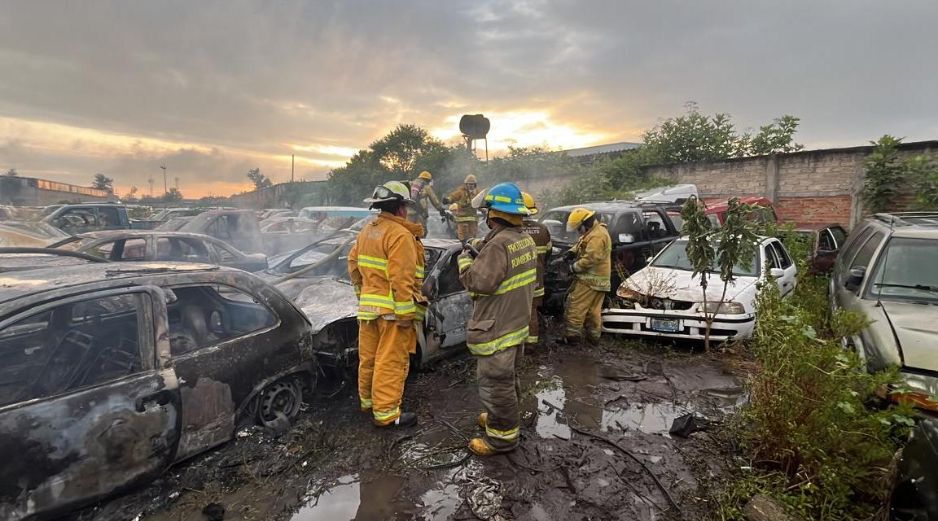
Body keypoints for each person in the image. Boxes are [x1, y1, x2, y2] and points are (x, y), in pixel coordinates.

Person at [457, 182, 537, 456]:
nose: (485, 216)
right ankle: (500, 421)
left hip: (497, 330)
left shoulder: (499, 245)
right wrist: (485, 247)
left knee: (495, 386)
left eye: (487, 211)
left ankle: (502, 439)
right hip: (514, 325)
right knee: (507, 380)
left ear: (493, 213)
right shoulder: (522, 238)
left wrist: (465, 262)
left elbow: (478, 283)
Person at [348, 181, 423, 428]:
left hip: (368, 310)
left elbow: (353, 264)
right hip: (392, 311)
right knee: (389, 362)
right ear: (401, 208)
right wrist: (405, 314)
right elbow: (402, 278)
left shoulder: (367, 230)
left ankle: (368, 402)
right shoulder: (400, 235)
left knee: (368, 359)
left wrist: (363, 295)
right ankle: (387, 414)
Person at [563, 207, 611, 345]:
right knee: (593, 312)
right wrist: (571, 252)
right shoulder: (595, 231)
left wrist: (573, 268)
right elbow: (583, 243)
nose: (579, 231)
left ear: (586, 223)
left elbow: (590, 259)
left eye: (579, 228)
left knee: (575, 307)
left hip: (589, 280)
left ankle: (572, 337)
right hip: (599, 281)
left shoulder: (597, 236)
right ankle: (593, 338)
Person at [520, 192, 551, 346]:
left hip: (518, 281)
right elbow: (549, 252)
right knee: (532, 312)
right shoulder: (543, 229)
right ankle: (532, 343)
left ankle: (525, 345)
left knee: (517, 313)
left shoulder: (514, 231)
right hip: (537, 279)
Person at [444, 174, 480, 241]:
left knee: (472, 238)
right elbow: (453, 196)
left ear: (475, 185)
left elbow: (480, 203)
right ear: (466, 184)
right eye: (469, 184)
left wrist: (485, 209)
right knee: (462, 238)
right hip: (462, 220)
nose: (470, 186)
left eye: (472, 184)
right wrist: (448, 200)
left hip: (473, 220)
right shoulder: (461, 192)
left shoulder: (477, 193)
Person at [408, 170, 444, 237]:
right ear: (427, 180)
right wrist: (441, 209)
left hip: (408, 213)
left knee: (409, 232)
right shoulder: (426, 187)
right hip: (420, 214)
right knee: (421, 233)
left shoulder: (410, 184)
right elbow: (434, 200)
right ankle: (419, 246)